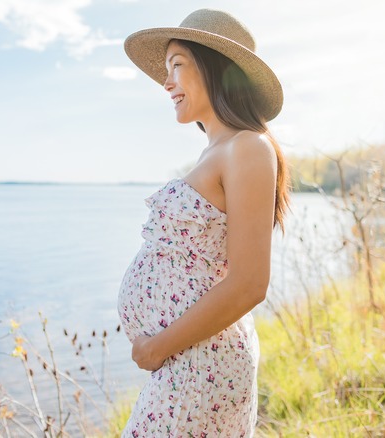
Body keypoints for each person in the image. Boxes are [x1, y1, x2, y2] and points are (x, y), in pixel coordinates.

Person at [116, 8, 290, 437]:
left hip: (200, 363)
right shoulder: (216, 152)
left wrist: (158, 346)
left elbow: (249, 283)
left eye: (177, 65)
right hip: (187, 362)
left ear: (216, 69)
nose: (166, 81)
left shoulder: (247, 147)